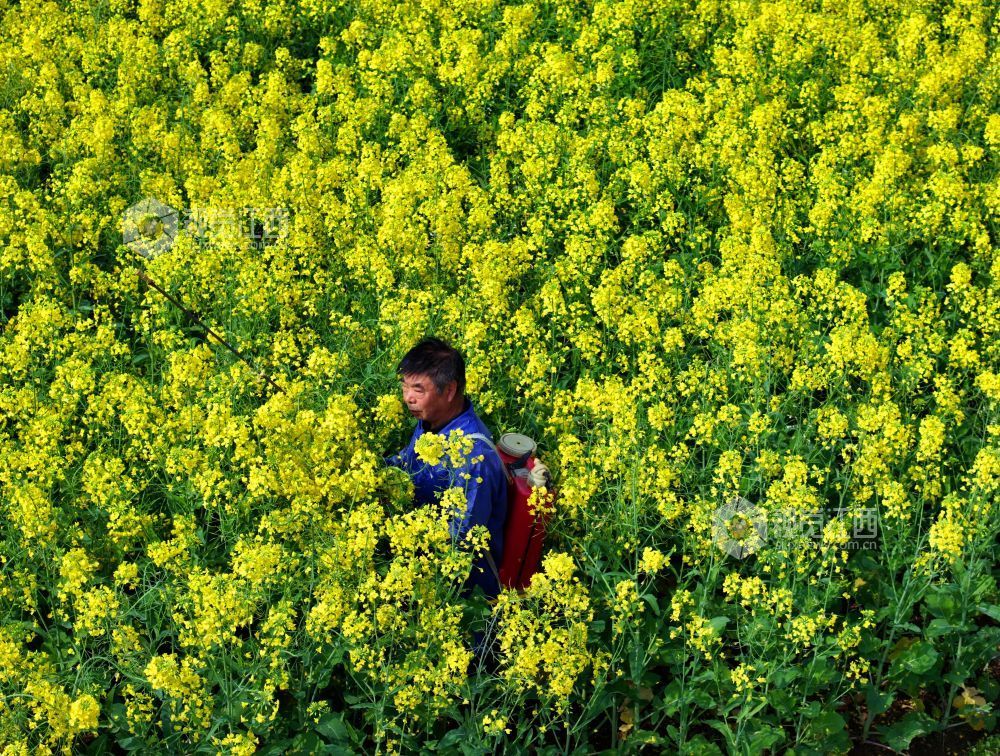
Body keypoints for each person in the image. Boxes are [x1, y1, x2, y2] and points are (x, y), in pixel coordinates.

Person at [384, 337, 508, 601]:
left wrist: (403, 534)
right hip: (419, 552)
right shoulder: (431, 420)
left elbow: (461, 538)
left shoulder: (474, 457)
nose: (407, 398)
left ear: (449, 390)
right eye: (404, 386)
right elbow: (408, 462)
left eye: (418, 389)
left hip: (462, 587)